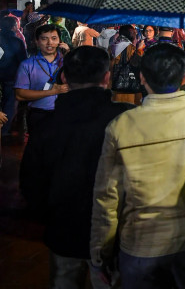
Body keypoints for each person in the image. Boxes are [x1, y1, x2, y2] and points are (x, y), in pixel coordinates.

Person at [90, 43, 185, 287]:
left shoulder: (121, 126)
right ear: (184, 77)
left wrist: (101, 252)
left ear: (142, 77)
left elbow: (106, 199)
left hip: (140, 244)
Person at [22, 46, 133, 289]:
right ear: (107, 77)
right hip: (116, 233)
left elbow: (31, 184)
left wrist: (48, 217)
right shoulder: (126, 119)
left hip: (63, 229)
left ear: (64, 77)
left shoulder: (46, 126)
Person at [15, 24, 70, 137]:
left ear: (60, 41)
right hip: (38, 114)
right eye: (44, 39)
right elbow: (20, 95)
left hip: (65, 113)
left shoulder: (68, 62)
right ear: (37, 41)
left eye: (54, 38)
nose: (50, 43)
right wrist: (53, 91)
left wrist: (70, 56)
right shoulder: (27, 65)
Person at [0, 15, 27, 137]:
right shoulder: (17, 41)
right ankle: (4, 131)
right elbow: (23, 60)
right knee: (9, 104)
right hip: (11, 76)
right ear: (13, 27)